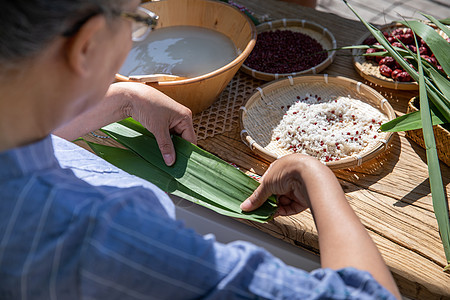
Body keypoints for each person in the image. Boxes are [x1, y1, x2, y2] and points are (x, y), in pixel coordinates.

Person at [0, 0, 401, 299]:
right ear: (86, 47)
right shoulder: (105, 233)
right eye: (137, 20)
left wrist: (122, 98)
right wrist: (315, 175)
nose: (139, 34)